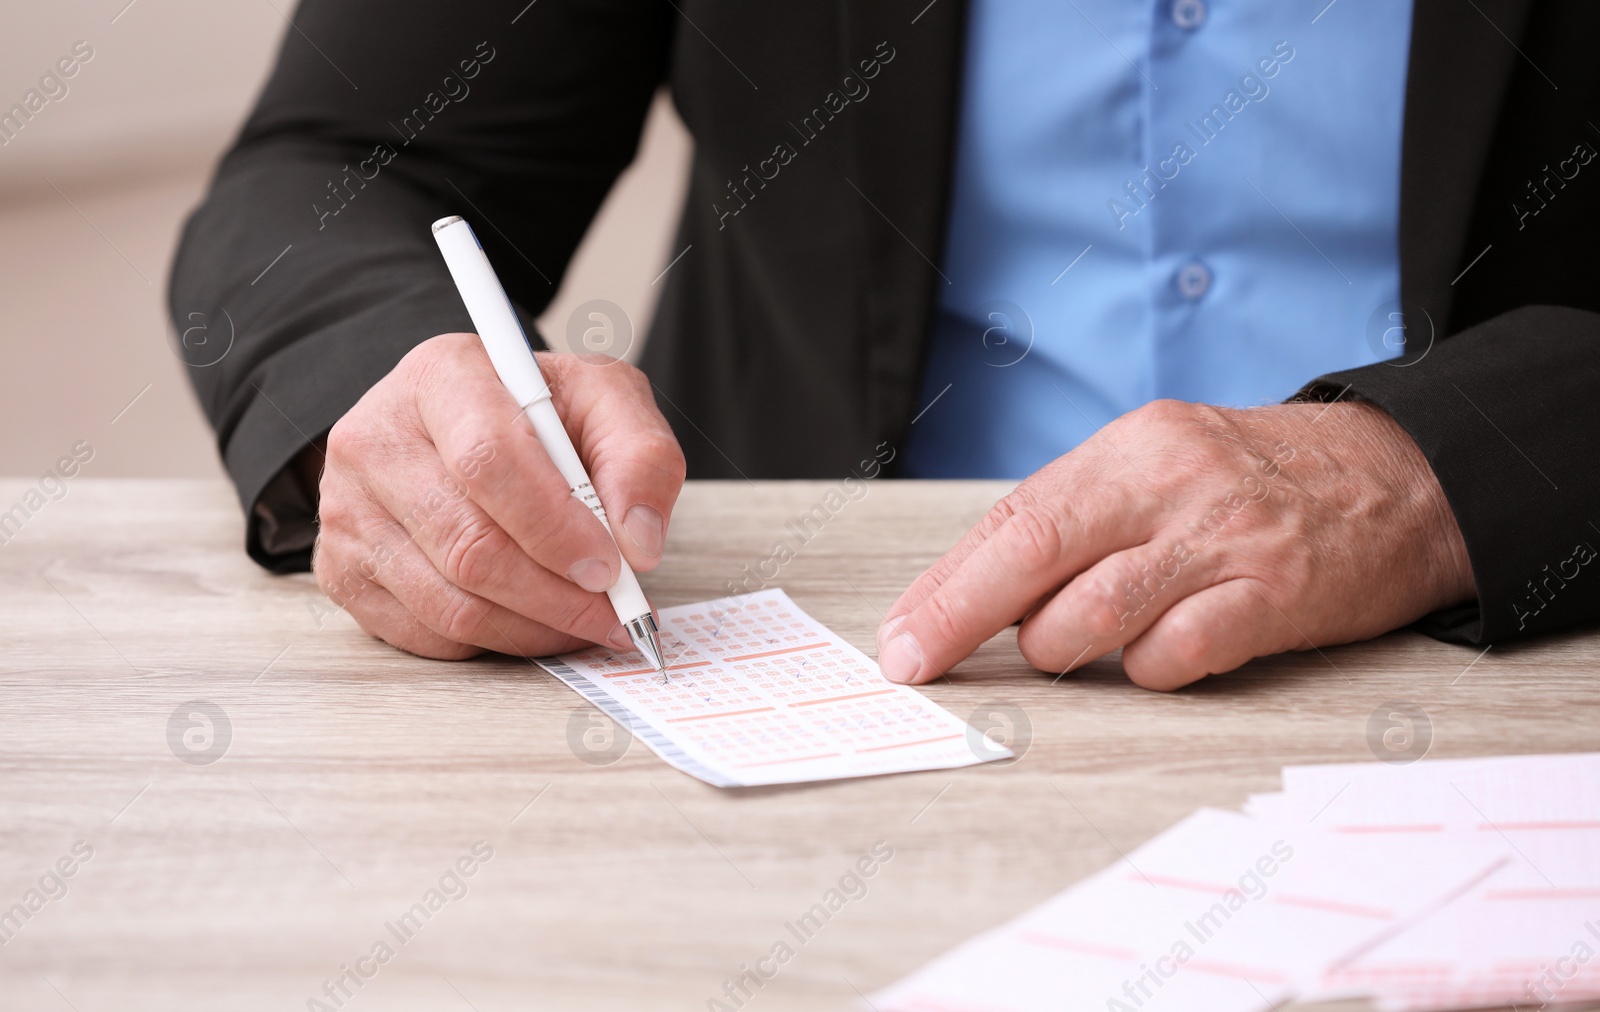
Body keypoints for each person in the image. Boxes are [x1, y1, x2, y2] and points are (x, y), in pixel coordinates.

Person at [171, 0, 1600, 691]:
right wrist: (402, 393)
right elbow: (336, 168)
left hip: (1496, 669)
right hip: (819, 678)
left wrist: (1428, 474)